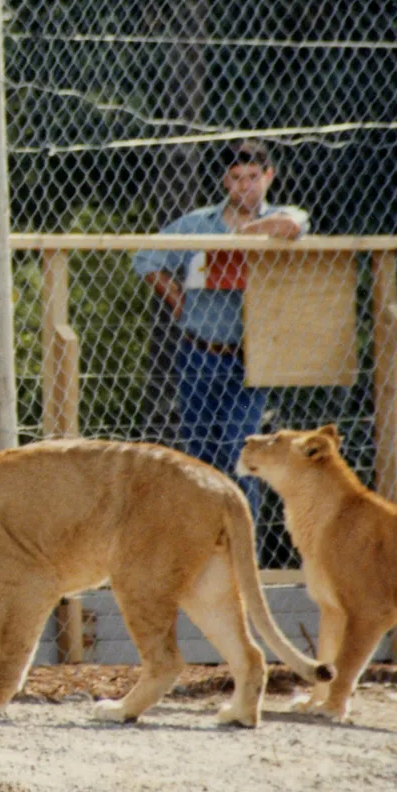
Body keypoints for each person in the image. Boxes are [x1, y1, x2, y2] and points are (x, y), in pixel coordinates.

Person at [133, 139, 309, 520]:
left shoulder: (280, 217)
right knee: (200, 459)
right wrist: (178, 302)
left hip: (252, 359)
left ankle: (248, 556)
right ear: (224, 182)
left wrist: (244, 236)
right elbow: (145, 258)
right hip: (199, 353)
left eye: (252, 178)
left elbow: (293, 224)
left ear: (268, 176)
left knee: (242, 454)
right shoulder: (198, 224)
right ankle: (205, 551)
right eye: (235, 179)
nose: (244, 187)